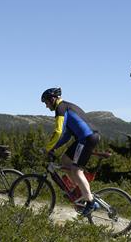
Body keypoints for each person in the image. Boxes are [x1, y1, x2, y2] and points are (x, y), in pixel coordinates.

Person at [41, 87, 100, 216]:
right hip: (85, 137)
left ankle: (90, 201)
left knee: (76, 170)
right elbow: (66, 136)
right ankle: (80, 191)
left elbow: (58, 131)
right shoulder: (66, 106)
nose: (46, 106)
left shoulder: (60, 108)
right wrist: (55, 147)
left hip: (87, 138)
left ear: (52, 99)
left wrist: (48, 148)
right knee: (65, 160)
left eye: (46, 102)